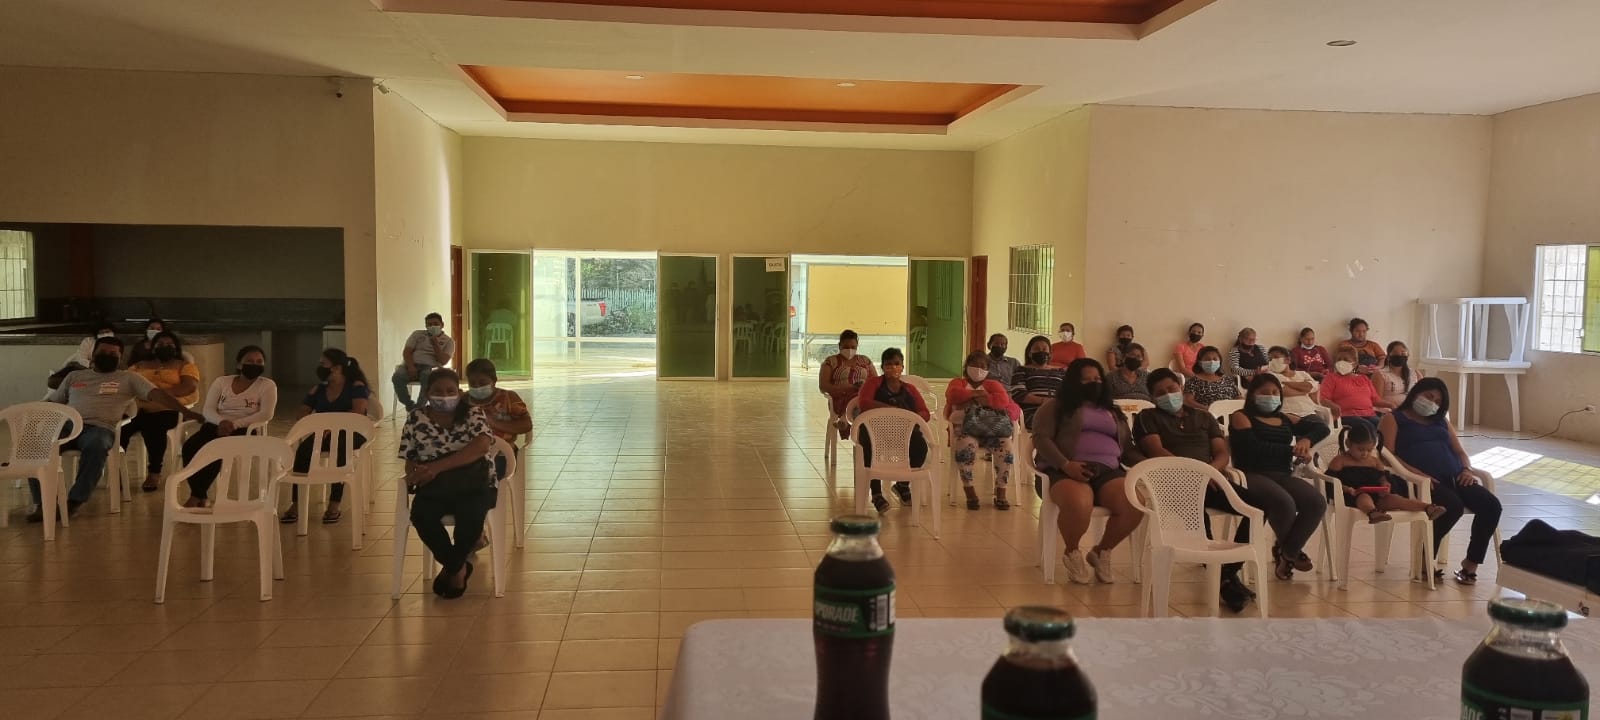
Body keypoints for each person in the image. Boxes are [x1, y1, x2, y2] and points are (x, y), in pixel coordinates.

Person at [27, 336, 197, 521]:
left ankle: (74, 501)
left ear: (120, 358)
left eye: (113, 353)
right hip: (69, 425)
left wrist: (187, 412)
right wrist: (30, 416)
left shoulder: (129, 378)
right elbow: (53, 403)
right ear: (93, 355)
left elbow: (159, 395)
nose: (107, 356)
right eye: (103, 352)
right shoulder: (74, 376)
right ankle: (43, 504)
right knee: (36, 446)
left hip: (100, 427)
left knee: (97, 445)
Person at [1133, 369, 1254, 612]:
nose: (1168, 395)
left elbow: (1222, 452)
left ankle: (1227, 573)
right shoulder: (1147, 417)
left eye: (1171, 389)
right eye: (1160, 393)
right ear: (1153, 397)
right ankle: (1225, 581)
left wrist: (1209, 472)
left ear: (1180, 387)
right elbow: (1157, 452)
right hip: (1173, 484)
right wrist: (1193, 476)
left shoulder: (1204, 417)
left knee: (1258, 507)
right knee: (1199, 522)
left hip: (1210, 480)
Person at [1378, 378, 1502, 585]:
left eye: (1437, 401)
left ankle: (1470, 564)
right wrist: (1415, 473)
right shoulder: (1393, 419)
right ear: (1416, 393)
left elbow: (1460, 452)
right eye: (1428, 396)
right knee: (1451, 506)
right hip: (1421, 482)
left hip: (1456, 475)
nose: (1432, 402)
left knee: (1491, 506)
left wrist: (1466, 469)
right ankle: (1425, 559)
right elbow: (1386, 455)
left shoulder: (1441, 421)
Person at [1032, 358, 1141, 585]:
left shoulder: (1112, 411)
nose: (1094, 383)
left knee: (1134, 503)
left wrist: (1149, 463)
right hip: (1063, 470)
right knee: (1079, 503)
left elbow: (1127, 447)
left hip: (1108, 471)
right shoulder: (1056, 406)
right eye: (1087, 379)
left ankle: (1101, 551)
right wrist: (1065, 464)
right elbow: (1041, 439)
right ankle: (1072, 551)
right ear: (1074, 382)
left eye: (1098, 379)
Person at [401, 368, 496, 599]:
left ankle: (453, 568)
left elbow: (481, 446)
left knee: (470, 518)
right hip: (435, 486)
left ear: (459, 393)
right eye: (438, 391)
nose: (444, 396)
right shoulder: (416, 418)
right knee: (422, 516)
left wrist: (436, 467)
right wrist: (416, 472)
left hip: (474, 482)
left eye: (450, 391)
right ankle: (457, 567)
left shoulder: (473, 413)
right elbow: (409, 456)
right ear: (427, 393)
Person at [1227, 374, 1330, 580]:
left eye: (1275, 392)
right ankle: (1292, 553)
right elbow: (1253, 447)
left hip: (1282, 473)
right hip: (1251, 474)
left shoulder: (1285, 418)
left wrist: (1306, 441)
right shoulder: (1241, 416)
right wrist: (1293, 450)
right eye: (1264, 392)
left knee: (1316, 502)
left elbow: (1321, 427)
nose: (1271, 396)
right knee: (1284, 502)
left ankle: (1288, 552)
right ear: (1252, 394)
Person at [179, 346, 278, 507]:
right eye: (249, 361)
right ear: (239, 364)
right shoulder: (222, 382)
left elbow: (266, 414)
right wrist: (221, 422)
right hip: (216, 425)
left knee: (218, 450)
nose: (254, 364)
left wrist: (234, 424)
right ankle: (201, 494)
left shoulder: (267, 385)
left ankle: (196, 496)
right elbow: (208, 409)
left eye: (259, 361)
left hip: (244, 429)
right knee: (190, 447)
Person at [280, 349, 370, 525]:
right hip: (323, 433)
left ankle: (334, 504)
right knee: (304, 451)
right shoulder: (319, 389)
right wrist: (315, 421)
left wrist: (333, 424)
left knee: (341, 447)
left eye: (323, 364)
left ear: (336, 367)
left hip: (352, 433)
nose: (320, 367)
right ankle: (296, 503)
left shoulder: (356, 386)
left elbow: (358, 412)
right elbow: (302, 413)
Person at [123, 331, 202, 492]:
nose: (165, 347)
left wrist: (156, 395)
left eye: (169, 345)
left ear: (176, 348)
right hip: (138, 408)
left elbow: (188, 387)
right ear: (153, 348)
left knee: (153, 425)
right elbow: (125, 384)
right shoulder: (139, 366)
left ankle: (154, 472)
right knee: (120, 428)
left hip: (168, 409)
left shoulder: (185, 366)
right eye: (160, 344)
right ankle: (119, 471)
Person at [1326, 422, 1446, 525]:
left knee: (1396, 499)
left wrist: (1385, 485)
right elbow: (1330, 481)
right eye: (1360, 449)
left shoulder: (1374, 462)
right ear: (1348, 444)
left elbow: (1382, 477)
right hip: (1352, 496)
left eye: (1369, 450)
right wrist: (1347, 489)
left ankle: (1428, 507)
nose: (1365, 454)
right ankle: (1373, 513)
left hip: (1377, 496)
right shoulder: (1340, 461)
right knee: (1364, 496)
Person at [854, 348, 928, 513]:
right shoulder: (873, 384)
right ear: (882, 367)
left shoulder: (909, 389)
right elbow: (864, 403)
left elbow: (924, 412)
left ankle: (902, 485)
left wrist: (911, 416)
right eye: (888, 364)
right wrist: (891, 409)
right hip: (876, 432)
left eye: (897, 364)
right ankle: (876, 493)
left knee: (921, 446)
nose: (893, 367)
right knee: (868, 446)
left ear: (902, 366)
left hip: (903, 433)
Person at [945, 351, 1020, 511]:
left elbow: (1002, 401)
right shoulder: (958, 382)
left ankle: (1001, 491)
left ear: (987, 369)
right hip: (966, 430)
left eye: (982, 366)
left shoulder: (993, 384)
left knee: (1006, 448)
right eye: (974, 365)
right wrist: (980, 395)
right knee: (965, 447)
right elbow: (953, 396)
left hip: (992, 430)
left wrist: (970, 399)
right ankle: (969, 490)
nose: (978, 369)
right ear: (966, 367)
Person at [463, 358, 532, 480]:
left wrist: (493, 422)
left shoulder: (509, 398)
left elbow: (526, 425)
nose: (477, 387)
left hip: (502, 454)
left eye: (482, 383)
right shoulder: (463, 401)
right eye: (472, 383)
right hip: (468, 453)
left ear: (494, 381)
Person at [1319, 346, 1393, 434]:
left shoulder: (1364, 379)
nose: (1341, 362)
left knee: (1384, 426)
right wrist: (1334, 406)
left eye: (1345, 359)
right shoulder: (1331, 378)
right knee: (1367, 427)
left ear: (1355, 363)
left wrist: (1391, 405)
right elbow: (1323, 399)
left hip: (1369, 414)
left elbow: (1375, 400)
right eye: (1339, 359)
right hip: (1346, 415)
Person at [392, 313, 455, 413]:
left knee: (427, 378)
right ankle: (409, 404)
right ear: (426, 326)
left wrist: (435, 344)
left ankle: (419, 408)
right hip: (411, 364)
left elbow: (443, 361)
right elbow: (407, 352)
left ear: (442, 324)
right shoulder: (417, 334)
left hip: (429, 367)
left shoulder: (449, 341)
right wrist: (411, 366)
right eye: (429, 324)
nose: (432, 326)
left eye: (435, 324)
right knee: (397, 376)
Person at [819, 330, 876, 439]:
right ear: (839, 346)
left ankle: (845, 419)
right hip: (840, 398)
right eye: (846, 347)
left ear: (857, 346)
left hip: (864, 397)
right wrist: (849, 388)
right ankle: (861, 437)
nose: (850, 350)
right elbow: (823, 386)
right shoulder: (830, 362)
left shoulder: (865, 360)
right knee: (857, 397)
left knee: (862, 397)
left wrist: (863, 387)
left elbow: (875, 382)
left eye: (853, 347)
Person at [1011, 335, 1065, 428]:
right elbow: (1018, 394)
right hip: (1032, 411)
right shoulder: (1021, 370)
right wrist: (1045, 401)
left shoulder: (1061, 371)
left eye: (1044, 349)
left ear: (1050, 353)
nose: (1041, 351)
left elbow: (1068, 392)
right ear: (1029, 353)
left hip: (1059, 410)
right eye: (1037, 349)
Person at [48, 321, 119, 389]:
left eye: (107, 331)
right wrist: (91, 365)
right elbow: (81, 358)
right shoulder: (88, 341)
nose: (105, 334)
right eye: (102, 332)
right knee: (56, 379)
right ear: (97, 334)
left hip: (100, 372)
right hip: (82, 367)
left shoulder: (117, 344)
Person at [1265, 346, 1322, 421]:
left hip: (1308, 411)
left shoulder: (1302, 374)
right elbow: (1283, 391)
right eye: (1270, 359)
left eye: (1276, 357)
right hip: (1286, 413)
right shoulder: (1270, 375)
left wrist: (1287, 383)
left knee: (1321, 425)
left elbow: (1312, 387)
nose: (1272, 361)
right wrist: (1304, 391)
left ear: (1288, 360)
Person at [1183, 346, 1238, 411]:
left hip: (1230, 413)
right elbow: (1188, 401)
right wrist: (1210, 409)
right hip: (1206, 414)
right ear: (1200, 363)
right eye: (1207, 359)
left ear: (1219, 362)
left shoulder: (1228, 379)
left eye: (1215, 359)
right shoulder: (1193, 381)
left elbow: (1239, 397)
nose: (1212, 361)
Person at [1374, 340, 1423, 408]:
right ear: (1388, 357)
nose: (1400, 356)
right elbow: (1377, 401)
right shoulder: (1380, 374)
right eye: (1396, 353)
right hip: (1389, 410)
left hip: (1412, 409)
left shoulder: (1415, 373)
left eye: (1403, 353)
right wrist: (1392, 406)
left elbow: (1424, 393)